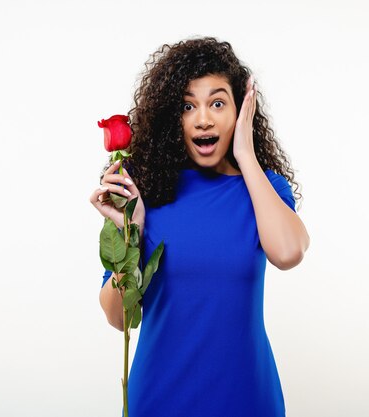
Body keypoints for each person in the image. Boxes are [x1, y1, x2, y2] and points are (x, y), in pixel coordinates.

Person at [90, 36, 310, 417]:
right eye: (188, 106)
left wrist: (245, 154)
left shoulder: (263, 188)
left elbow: (289, 253)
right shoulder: (147, 193)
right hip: (159, 398)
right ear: (171, 117)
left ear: (240, 112)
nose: (203, 118)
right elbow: (119, 317)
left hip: (245, 397)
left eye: (218, 103)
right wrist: (134, 231)